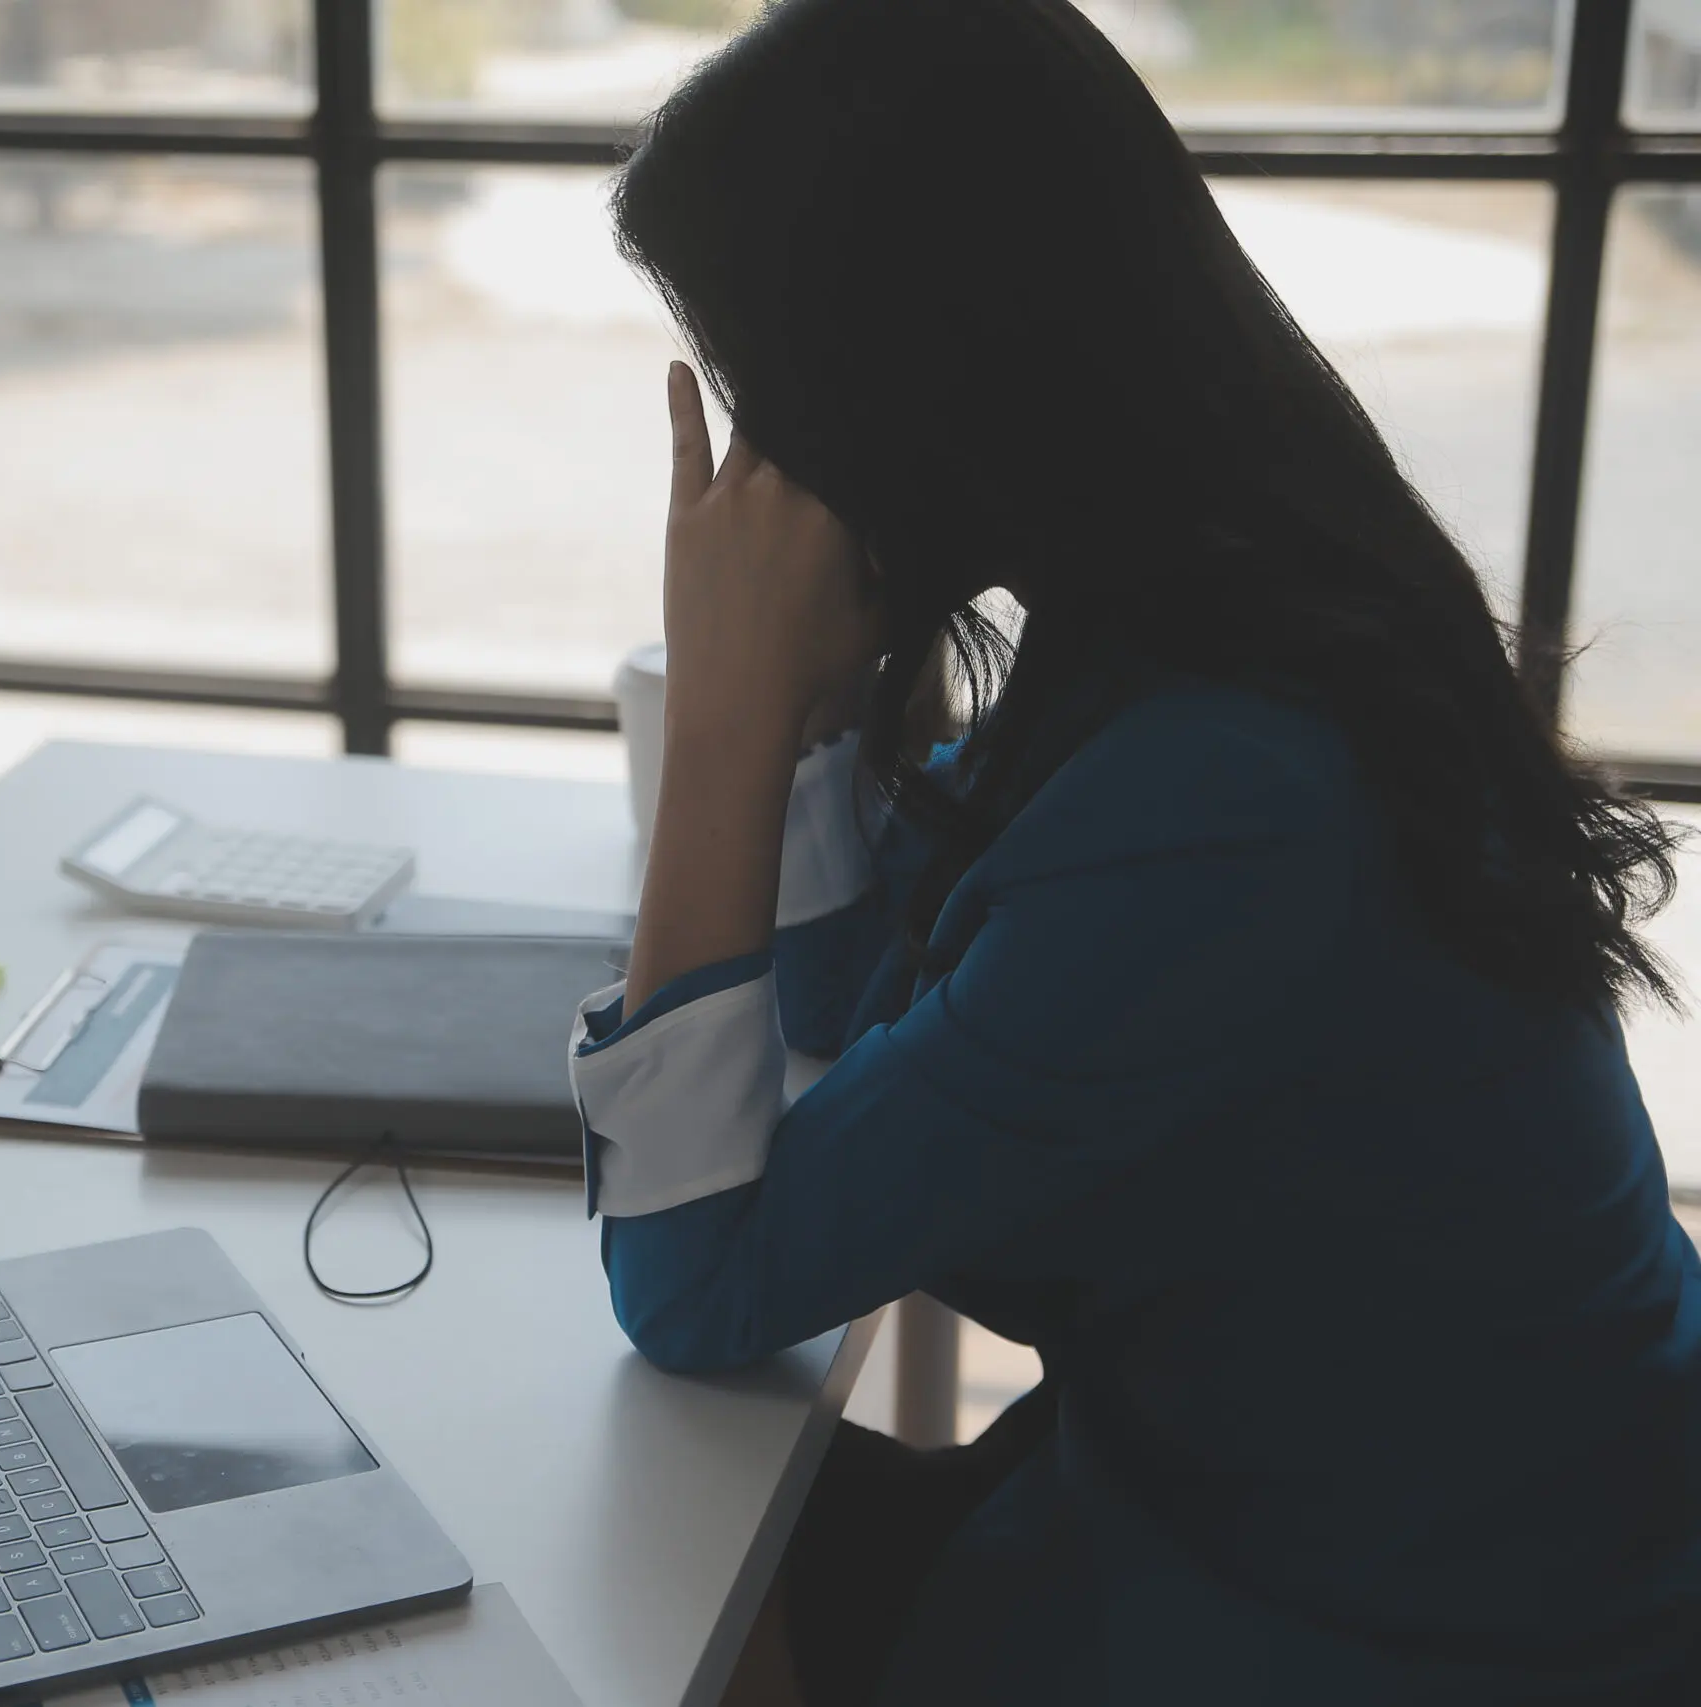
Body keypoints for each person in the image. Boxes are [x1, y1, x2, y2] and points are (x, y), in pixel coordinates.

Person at [566, 2, 1701, 1702]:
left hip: (1402, 1630)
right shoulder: (1226, 610)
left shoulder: (1227, 798)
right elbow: (843, 985)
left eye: (766, 389)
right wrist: (807, 710)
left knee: (609, 1587)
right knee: (623, 1543)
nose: (759, 469)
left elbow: (696, 1280)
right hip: (1268, 1518)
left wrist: (729, 723)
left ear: (889, 384)